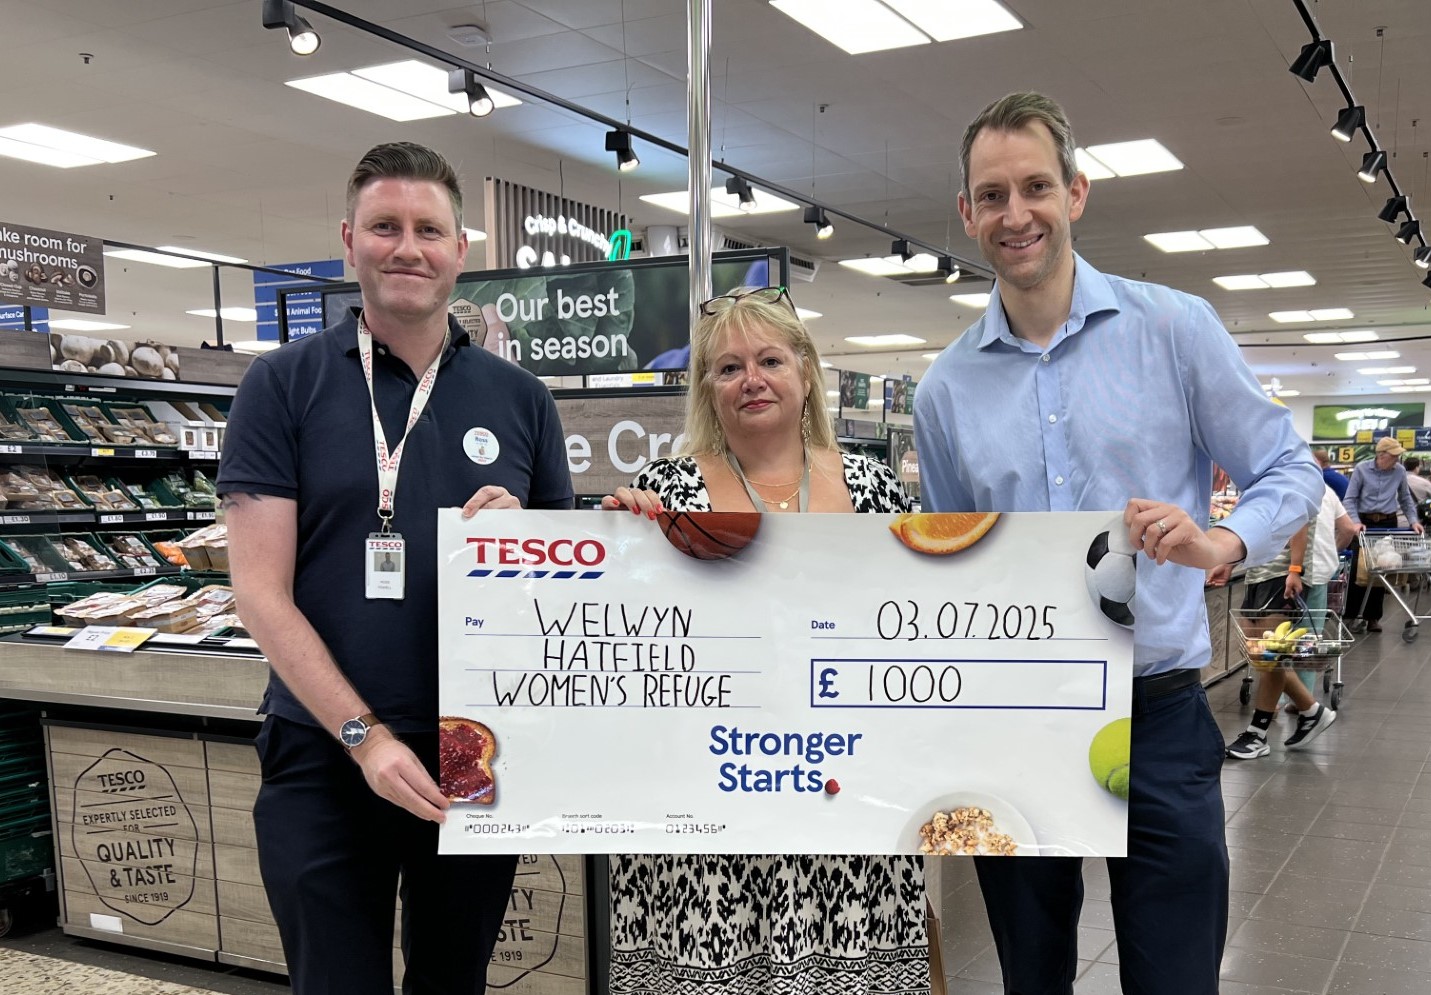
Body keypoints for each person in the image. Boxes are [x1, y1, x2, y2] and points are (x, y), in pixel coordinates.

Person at [911, 92, 1322, 995]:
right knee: (1030, 973)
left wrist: (1222, 541)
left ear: (1077, 193)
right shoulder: (942, 391)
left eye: (1035, 187)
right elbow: (949, 564)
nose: (1015, 214)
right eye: (991, 195)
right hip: (1017, 716)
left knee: (1175, 974)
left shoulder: (1174, 329)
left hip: (1161, 712)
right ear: (966, 213)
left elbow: (1290, 469)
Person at [218, 141, 573, 995]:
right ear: (350, 239)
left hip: (472, 755)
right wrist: (363, 737)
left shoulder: (520, 399)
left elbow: (567, 595)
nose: (406, 247)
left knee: (454, 982)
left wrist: (526, 542)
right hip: (323, 751)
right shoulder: (282, 384)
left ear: (460, 251)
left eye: (428, 229)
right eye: (385, 226)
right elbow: (259, 591)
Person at [603, 286, 929, 995]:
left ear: (805, 372)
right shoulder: (664, 491)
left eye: (770, 359)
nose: (751, 379)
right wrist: (615, 546)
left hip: (846, 809)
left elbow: (920, 632)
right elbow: (623, 650)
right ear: (707, 391)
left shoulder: (878, 492)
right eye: (727, 368)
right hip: (709, 827)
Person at [1220, 486, 1358, 759]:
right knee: (1260, 654)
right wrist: (1230, 563)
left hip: (1282, 574)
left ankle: (1257, 734)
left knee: (1271, 654)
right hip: (1258, 573)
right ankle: (1312, 711)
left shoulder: (1291, 479)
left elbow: (1299, 522)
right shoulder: (1261, 481)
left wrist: (1295, 569)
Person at [1341, 436, 1423, 633]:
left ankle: (1373, 618)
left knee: (1381, 568)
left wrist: (1413, 521)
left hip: (1387, 522)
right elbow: (1350, 499)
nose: (1396, 459)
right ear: (1381, 455)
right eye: (1393, 456)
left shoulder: (1400, 471)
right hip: (1364, 522)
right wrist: (1355, 522)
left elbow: (1405, 498)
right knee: (1358, 569)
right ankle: (1351, 615)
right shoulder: (1361, 469)